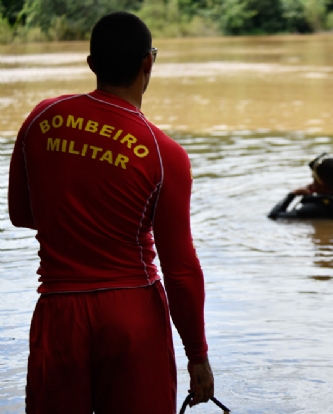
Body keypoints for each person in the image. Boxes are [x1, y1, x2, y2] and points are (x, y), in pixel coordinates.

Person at [8, 12, 213, 413]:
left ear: (92, 64)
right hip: (132, 316)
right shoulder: (163, 152)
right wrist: (198, 356)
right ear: (147, 63)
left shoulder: (41, 119)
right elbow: (181, 268)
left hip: (58, 312)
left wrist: (76, 218)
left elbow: (21, 214)